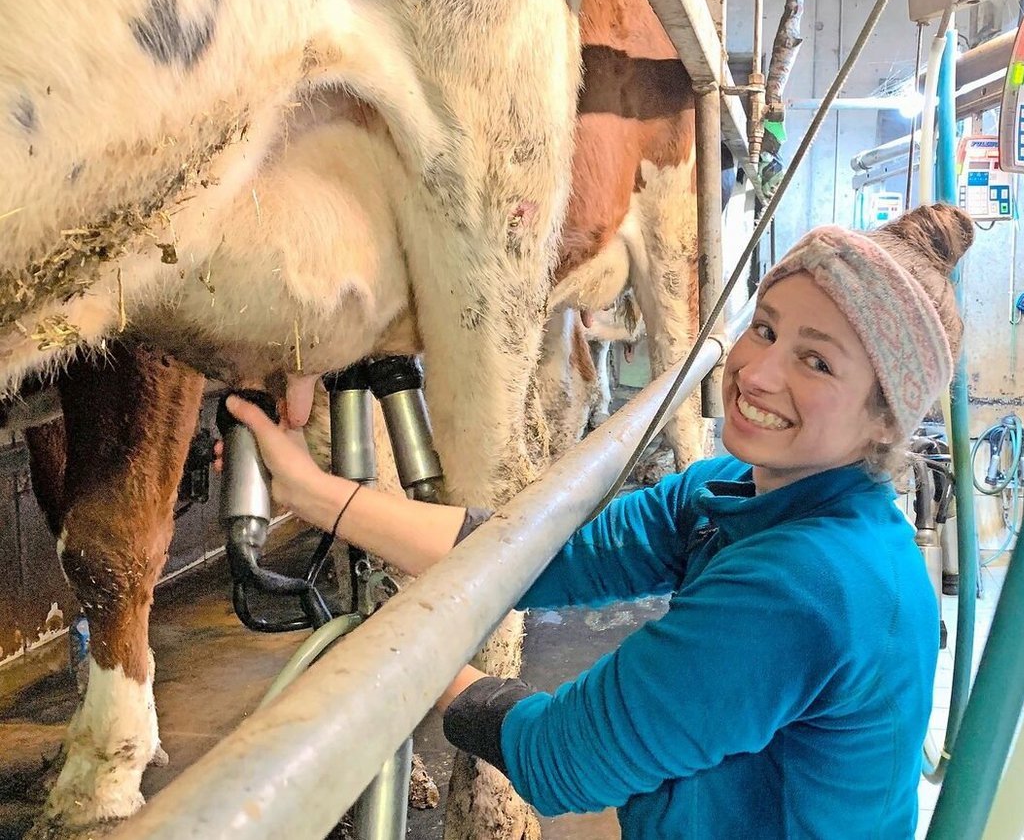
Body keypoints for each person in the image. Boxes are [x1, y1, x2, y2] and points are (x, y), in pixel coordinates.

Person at [222, 202, 974, 838]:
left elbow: (562, 754)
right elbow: (544, 554)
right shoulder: (735, 489)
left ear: (884, 422)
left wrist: (407, 660)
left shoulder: (811, 583)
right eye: (767, 328)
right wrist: (318, 493)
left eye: (817, 362)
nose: (757, 372)